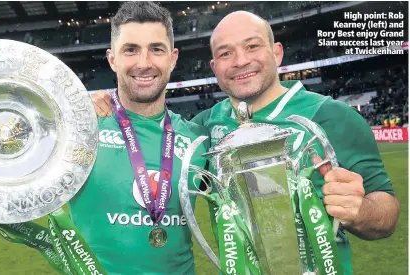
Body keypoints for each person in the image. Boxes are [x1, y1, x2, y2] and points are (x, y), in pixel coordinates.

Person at [93, 11, 400, 275]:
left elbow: (386, 213)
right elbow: (144, 143)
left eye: (252, 46)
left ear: (277, 53)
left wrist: (359, 210)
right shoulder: (203, 127)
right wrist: (90, 109)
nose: (240, 61)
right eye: (225, 53)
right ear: (214, 68)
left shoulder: (332, 116)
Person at [0, 2, 210, 275]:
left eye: (156, 49)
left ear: (173, 58)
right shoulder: (76, 129)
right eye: (130, 50)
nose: (143, 63)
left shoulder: (198, 141)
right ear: (112, 59)